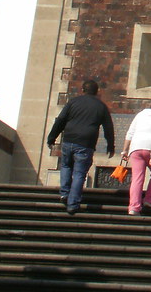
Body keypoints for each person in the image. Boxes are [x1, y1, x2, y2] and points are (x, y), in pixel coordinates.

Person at [46, 79, 115, 215]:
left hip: (69, 139)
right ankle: (73, 203)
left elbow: (60, 120)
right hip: (86, 143)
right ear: (97, 92)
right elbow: (108, 127)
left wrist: (52, 137)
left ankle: (65, 194)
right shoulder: (101, 106)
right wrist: (110, 145)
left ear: (82, 90)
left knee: (66, 166)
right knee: (79, 173)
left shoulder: (73, 102)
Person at [120, 99, 151, 215]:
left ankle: (134, 207)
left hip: (136, 148)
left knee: (137, 178)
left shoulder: (140, 114)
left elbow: (130, 133)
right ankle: (150, 200)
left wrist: (124, 151)